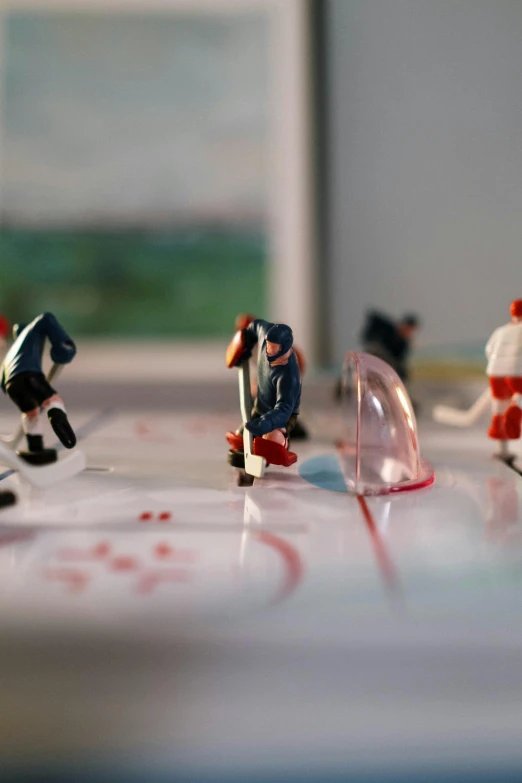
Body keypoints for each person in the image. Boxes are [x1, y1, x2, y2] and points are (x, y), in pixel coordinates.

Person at [1, 313, 77, 456]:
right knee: (52, 400)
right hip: (30, 375)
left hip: (12, 386)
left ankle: (35, 449)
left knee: (31, 413)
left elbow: (3, 378)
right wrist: (63, 345)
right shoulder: (32, 330)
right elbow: (46, 318)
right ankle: (56, 415)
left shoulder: (12, 351)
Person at [226, 319, 301, 455]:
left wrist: (266, 423)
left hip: (281, 415)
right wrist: (244, 341)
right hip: (261, 405)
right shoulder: (265, 335)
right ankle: (245, 451)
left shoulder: (289, 376)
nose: (269, 352)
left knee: (272, 439)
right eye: (268, 345)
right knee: (242, 436)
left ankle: (279, 445)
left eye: (274, 348)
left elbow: (284, 409)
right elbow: (254, 326)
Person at [485, 299, 522, 440]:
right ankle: (517, 408)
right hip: (517, 373)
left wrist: (499, 365)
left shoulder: (501, 330)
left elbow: (489, 350)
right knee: (519, 395)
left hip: (495, 372)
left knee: (500, 405)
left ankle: (497, 432)